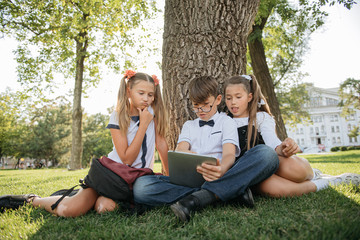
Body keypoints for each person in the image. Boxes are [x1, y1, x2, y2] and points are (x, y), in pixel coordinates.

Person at [0, 70, 169, 217]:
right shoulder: (118, 116)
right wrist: (143, 125)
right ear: (128, 91)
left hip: (135, 181)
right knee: (70, 210)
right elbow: (126, 160)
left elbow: (161, 145)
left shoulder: (153, 113)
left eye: (150, 94)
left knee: (105, 208)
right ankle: (32, 199)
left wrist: (169, 174)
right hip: (111, 176)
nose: (146, 99)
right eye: (141, 93)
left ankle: (84, 196)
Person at [133, 76, 280, 222]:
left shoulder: (227, 121)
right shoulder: (189, 126)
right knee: (141, 187)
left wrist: (222, 168)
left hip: (219, 175)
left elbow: (229, 154)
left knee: (266, 154)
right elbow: (180, 148)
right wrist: (186, 153)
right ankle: (230, 193)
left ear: (217, 100)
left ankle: (197, 199)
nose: (201, 110)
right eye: (196, 106)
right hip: (191, 178)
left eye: (206, 105)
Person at [223, 74, 360, 197]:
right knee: (275, 190)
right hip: (250, 171)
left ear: (250, 97)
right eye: (228, 98)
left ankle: (314, 173)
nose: (233, 102)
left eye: (238, 97)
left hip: (271, 160)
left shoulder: (261, 117)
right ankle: (328, 182)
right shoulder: (223, 121)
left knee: (296, 170)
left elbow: (272, 141)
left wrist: (282, 148)